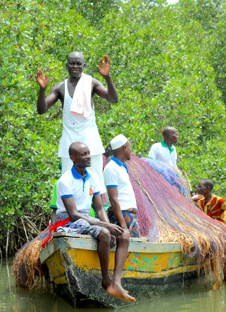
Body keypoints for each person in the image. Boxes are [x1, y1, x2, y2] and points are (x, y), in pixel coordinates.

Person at [55, 142, 135, 302]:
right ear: (72, 158)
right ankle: (106, 281)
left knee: (124, 234)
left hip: (87, 219)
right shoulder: (65, 180)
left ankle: (116, 283)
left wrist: (112, 226)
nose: (88, 157)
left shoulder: (93, 178)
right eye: (83, 154)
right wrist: (106, 226)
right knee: (104, 233)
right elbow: (73, 214)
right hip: (70, 220)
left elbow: (99, 209)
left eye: (88, 153)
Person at [36, 52, 118, 198]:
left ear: (84, 66)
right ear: (66, 66)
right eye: (72, 63)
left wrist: (107, 77)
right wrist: (42, 89)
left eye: (78, 63)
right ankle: (70, 216)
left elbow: (113, 98)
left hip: (90, 140)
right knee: (69, 183)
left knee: (95, 183)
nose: (75, 66)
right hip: (70, 142)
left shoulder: (91, 83)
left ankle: (98, 216)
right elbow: (42, 110)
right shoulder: (60, 87)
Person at [103, 135, 140, 238]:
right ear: (124, 148)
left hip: (129, 214)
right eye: (130, 147)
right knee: (128, 247)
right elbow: (113, 199)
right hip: (122, 214)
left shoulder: (122, 167)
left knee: (134, 249)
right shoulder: (111, 168)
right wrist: (123, 227)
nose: (131, 150)